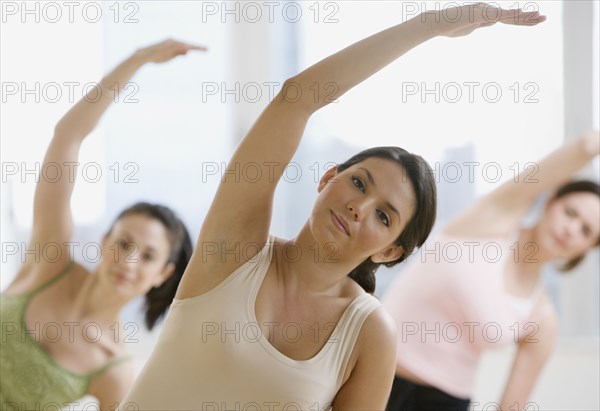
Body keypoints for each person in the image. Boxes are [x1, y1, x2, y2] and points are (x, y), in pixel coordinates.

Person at [118, 4, 545, 410]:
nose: (360, 206)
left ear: (390, 251)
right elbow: (296, 98)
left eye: (384, 216)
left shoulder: (368, 332)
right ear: (327, 180)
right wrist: (426, 26)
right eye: (359, 183)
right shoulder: (236, 252)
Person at [0, 40, 203, 409]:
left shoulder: (114, 369)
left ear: (164, 273)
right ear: (104, 240)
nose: (128, 262)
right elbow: (67, 136)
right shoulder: (49, 262)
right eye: (124, 243)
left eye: (148, 256)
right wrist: (137, 60)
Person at [383, 132, 600, 410]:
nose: (571, 229)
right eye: (571, 213)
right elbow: (586, 145)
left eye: (586, 231)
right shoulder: (491, 219)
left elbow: (511, 406)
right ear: (550, 200)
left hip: (444, 402)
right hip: (373, 371)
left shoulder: (541, 317)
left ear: (587, 248)